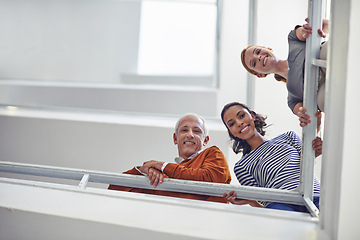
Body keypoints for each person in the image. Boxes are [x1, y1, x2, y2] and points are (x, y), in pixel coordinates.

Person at [221, 102, 322, 212]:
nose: (239, 123)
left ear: (252, 116)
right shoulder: (241, 167)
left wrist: (316, 150)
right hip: (280, 204)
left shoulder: (289, 137)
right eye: (231, 124)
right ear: (232, 133)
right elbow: (263, 205)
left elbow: (308, 160)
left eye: (241, 116)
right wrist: (250, 201)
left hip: (314, 195)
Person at [108, 113, 232, 203]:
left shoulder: (212, 154)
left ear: (205, 140)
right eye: (184, 130)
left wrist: (162, 166)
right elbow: (114, 190)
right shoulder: (160, 177)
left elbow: (211, 179)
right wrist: (142, 170)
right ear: (175, 138)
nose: (190, 135)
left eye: (197, 131)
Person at [240, 18, 328, 128]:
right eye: (253, 63)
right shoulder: (292, 99)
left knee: (325, 52)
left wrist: (310, 30)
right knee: (322, 100)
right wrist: (305, 116)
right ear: (260, 75)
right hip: (331, 94)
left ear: (268, 48)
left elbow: (303, 32)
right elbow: (313, 121)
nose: (259, 57)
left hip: (332, 60)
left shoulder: (293, 39)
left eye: (257, 52)